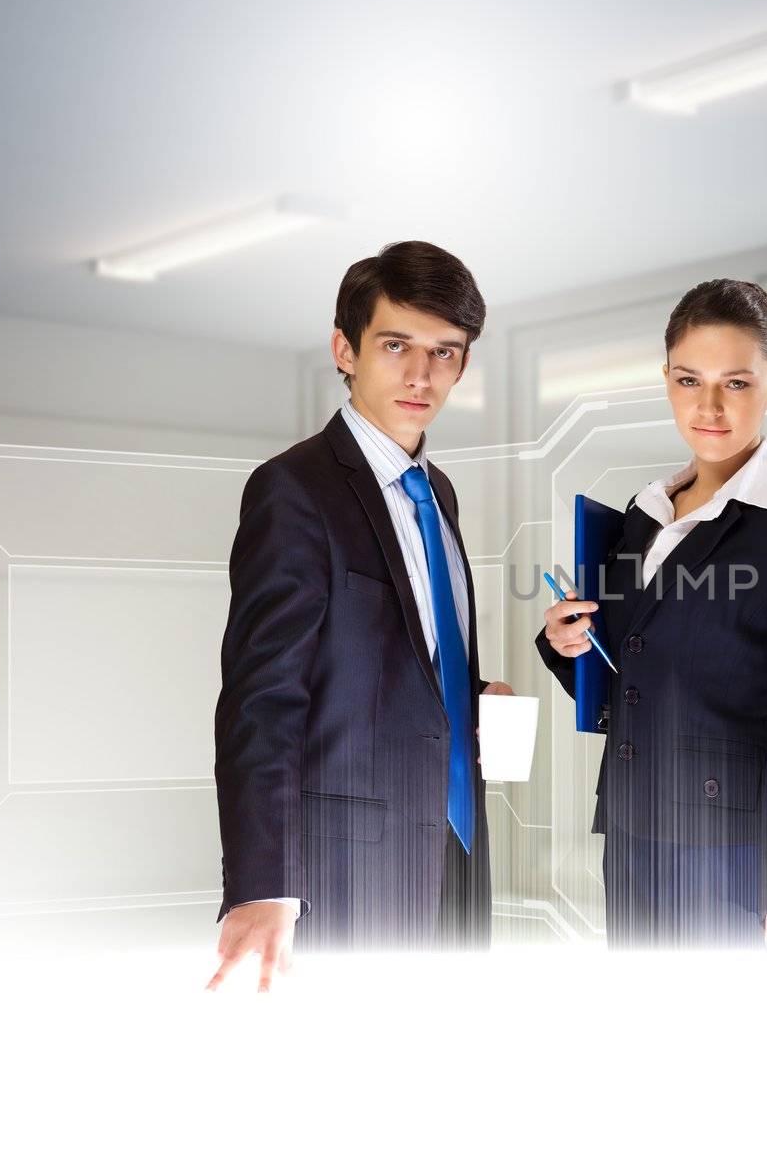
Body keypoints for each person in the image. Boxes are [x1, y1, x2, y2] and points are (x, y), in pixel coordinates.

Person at [209, 240, 515, 991]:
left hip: (456, 846)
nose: (422, 374)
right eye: (396, 345)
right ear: (345, 350)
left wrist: (469, 705)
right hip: (344, 867)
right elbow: (261, 698)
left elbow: (388, 666)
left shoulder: (437, 492)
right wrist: (263, 881)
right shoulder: (294, 489)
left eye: (446, 352)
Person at [536, 279, 767, 986]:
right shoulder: (643, 513)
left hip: (730, 853)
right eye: (689, 379)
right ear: (667, 382)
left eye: (736, 381)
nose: (709, 405)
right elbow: (634, 668)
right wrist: (565, 645)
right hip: (631, 831)